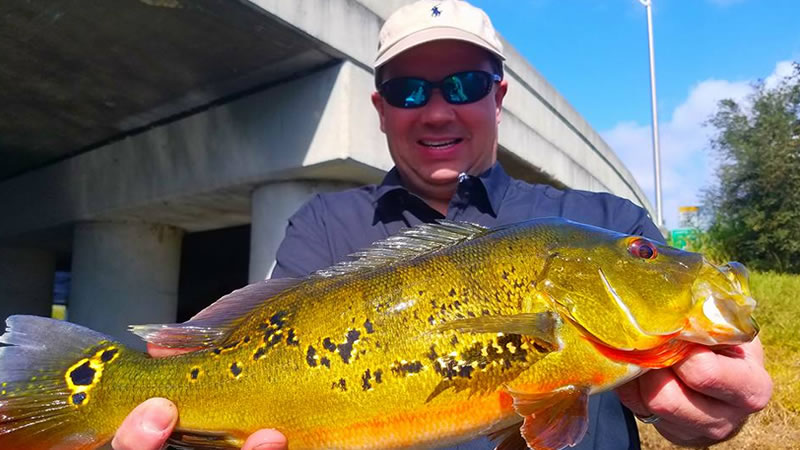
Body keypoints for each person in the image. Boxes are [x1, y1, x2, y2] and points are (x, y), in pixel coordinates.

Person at [111, 1, 772, 448]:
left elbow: (700, 395)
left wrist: (708, 410)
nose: (435, 110)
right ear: (379, 106)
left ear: (499, 96)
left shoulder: (604, 220)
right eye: (407, 90)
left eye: (461, 86)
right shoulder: (325, 227)